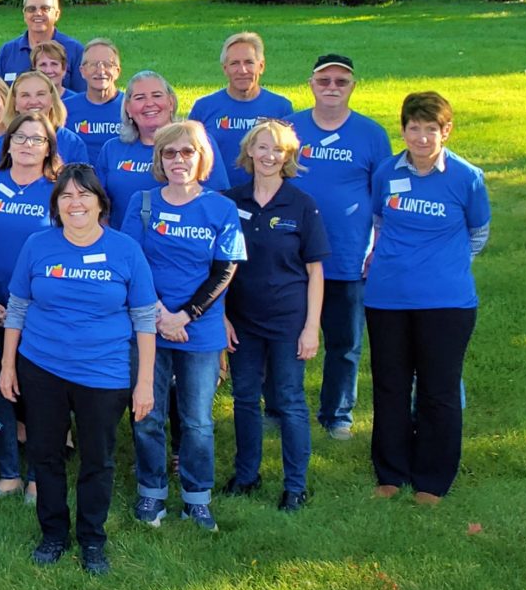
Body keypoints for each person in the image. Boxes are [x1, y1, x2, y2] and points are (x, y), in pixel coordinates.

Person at [0, 165, 159, 574]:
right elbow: (17, 308)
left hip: (104, 374)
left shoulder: (126, 250)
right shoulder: (38, 245)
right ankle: (53, 534)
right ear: (56, 205)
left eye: (84, 195)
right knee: (46, 455)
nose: (75, 203)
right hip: (41, 367)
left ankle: (92, 540)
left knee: (97, 460)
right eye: (66, 196)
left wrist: (144, 384)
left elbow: (144, 319)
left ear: (100, 203)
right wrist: (8, 366)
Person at [119, 120, 246, 533]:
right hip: (149, 326)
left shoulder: (221, 208)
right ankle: (151, 492)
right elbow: (131, 263)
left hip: (200, 331)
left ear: (201, 158)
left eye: (186, 152)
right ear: (159, 159)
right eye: (170, 153)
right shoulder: (142, 202)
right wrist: (158, 313)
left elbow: (224, 269)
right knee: (148, 414)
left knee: (196, 421)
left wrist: (184, 316)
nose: (178, 160)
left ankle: (196, 498)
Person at [364, 92, 490, 505]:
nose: (421, 137)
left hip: (446, 302)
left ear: (446, 131)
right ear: (403, 130)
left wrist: (444, 264)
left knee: (438, 389)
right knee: (390, 386)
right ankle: (390, 471)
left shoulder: (466, 178)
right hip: (386, 298)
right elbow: (379, 219)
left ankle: (432, 479)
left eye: (430, 129)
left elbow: (478, 233)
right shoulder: (386, 171)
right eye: (413, 128)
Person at [224, 121, 329, 512]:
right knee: (245, 398)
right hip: (242, 320)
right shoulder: (228, 201)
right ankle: (247, 475)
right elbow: (216, 266)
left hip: (288, 320)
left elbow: (315, 271)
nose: (269, 156)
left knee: (289, 400)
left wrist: (311, 328)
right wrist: (221, 317)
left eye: (278, 150)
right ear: (249, 151)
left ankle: (296, 485)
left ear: (288, 157)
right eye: (262, 147)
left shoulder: (302, 204)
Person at [287, 53, 392, 441]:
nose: (332, 87)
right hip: (291, 255)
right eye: (324, 80)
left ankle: (337, 413)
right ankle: (283, 406)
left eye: (341, 82)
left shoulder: (371, 134)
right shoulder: (291, 128)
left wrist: (376, 247)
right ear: (311, 84)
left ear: (352, 86)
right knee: (285, 338)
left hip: (346, 255)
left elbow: (382, 198)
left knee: (344, 342)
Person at [0, 112, 62, 504]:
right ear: (7, 144)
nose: (26, 145)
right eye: (19, 137)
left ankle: (37, 478)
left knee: (39, 395)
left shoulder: (58, 191)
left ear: (49, 149)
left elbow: (65, 248)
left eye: (36, 140)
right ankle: (8, 475)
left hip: (39, 312)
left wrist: (21, 306)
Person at [98, 71, 229, 215]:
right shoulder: (112, 149)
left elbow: (216, 201)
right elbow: (99, 204)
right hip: (124, 234)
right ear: (128, 108)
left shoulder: (197, 142)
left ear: (171, 102)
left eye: (157, 95)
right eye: (140, 98)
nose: (149, 103)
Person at [191, 32, 295, 163]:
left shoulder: (281, 108)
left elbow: (289, 157)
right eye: (235, 63)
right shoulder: (204, 107)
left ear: (261, 66)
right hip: (218, 184)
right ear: (225, 69)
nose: (242, 70)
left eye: (249, 62)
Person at [0, 0, 86, 93]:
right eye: (31, 9)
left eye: (45, 8)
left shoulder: (75, 50)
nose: (38, 13)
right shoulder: (8, 51)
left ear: (57, 14)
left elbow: (82, 96)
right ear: (24, 14)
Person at [0, 73, 92, 167]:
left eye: (40, 94)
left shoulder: (72, 143)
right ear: (15, 103)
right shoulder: (1, 146)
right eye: (25, 95)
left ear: (52, 100)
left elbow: (82, 186)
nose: (33, 101)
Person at [62, 38, 126, 166]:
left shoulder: (132, 107)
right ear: (82, 71)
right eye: (93, 64)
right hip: (78, 180)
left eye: (108, 64)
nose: (100, 71)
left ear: (117, 71)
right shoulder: (65, 108)